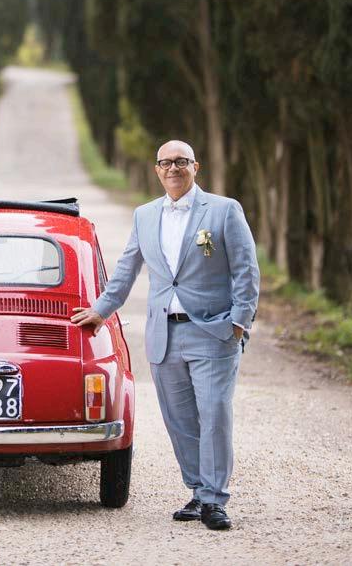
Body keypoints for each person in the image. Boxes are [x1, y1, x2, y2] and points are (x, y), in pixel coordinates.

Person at [71, 140, 259, 530]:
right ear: (157, 170)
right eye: (165, 163)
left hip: (213, 331)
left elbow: (246, 269)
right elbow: (126, 269)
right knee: (180, 419)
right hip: (164, 334)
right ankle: (198, 491)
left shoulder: (224, 210)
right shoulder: (144, 215)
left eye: (180, 161)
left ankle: (215, 500)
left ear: (195, 167)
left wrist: (239, 322)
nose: (173, 168)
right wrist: (101, 310)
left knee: (214, 415)